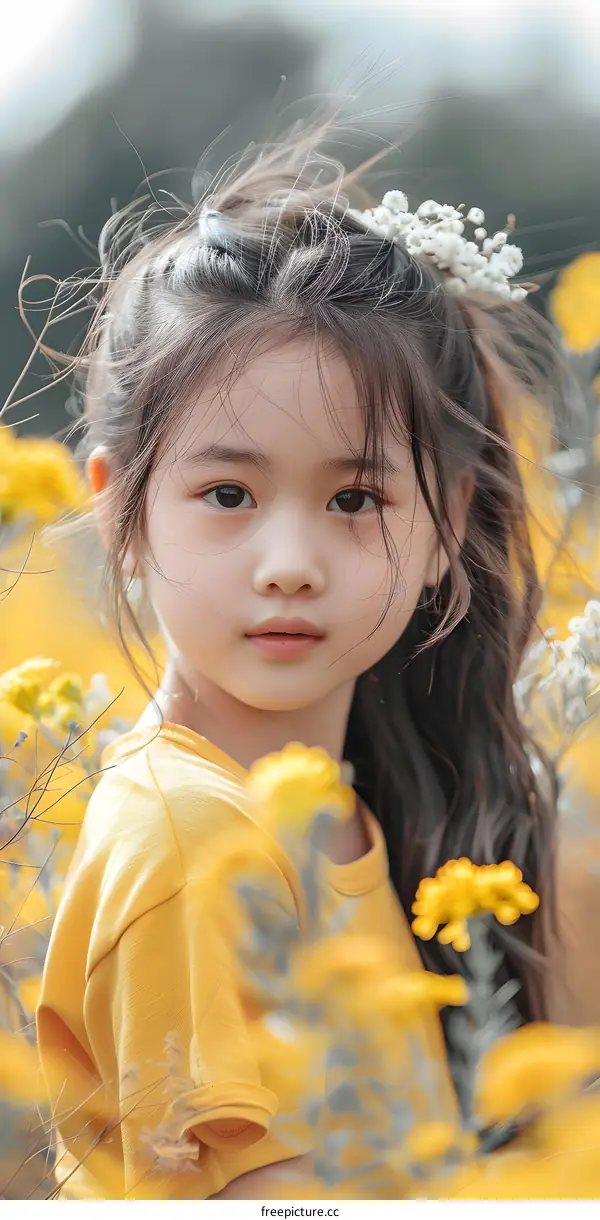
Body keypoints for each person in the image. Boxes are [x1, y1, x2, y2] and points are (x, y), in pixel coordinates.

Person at [37, 119, 563, 1200]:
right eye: (227, 493)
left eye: (356, 498)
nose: (289, 564)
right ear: (118, 510)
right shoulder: (195, 837)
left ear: (447, 522)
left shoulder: (370, 820)